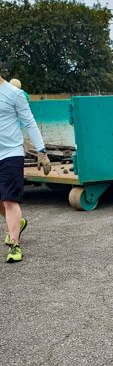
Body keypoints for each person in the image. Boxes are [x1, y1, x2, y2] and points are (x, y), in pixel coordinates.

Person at [0, 74, 51, 262]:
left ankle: (15, 245)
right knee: (2, 200)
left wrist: (41, 151)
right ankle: (18, 223)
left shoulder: (14, 94)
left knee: (10, 200)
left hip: (11, 153)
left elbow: (29, 122)